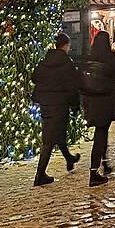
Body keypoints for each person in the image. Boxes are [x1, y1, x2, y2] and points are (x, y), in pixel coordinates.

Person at [32, 32, 81, 187]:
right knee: (49, 140)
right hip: (60, 105)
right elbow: (73, 87)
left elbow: (34, 77)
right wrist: (75, 106)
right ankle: (39, 176)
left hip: (45, 104)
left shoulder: (46, 60)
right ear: (66, 46)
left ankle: (69, 159)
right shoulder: (66, 63)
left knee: (57, 134)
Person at [81, 30, 115, 187]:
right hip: (106, 102)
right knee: (100, 135)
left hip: (92, 103)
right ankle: (93, 173)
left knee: (101, 133)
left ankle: (104, 163)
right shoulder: (112, 58)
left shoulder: (89, 58)